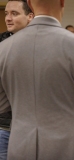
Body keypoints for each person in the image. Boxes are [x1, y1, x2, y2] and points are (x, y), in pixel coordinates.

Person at [0, 0, 74, 159]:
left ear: (29, 3)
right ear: (62, 2)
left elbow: (2, 103)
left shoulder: (4, 48)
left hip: (21, 148)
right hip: (69, 148)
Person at [0, 0, 34, 159]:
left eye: (14, 13)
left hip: (33, 128)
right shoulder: (1, 44)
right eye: (6, 13)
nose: (8, 18)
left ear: (30, 17)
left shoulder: (41, 44)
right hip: (4, 127)